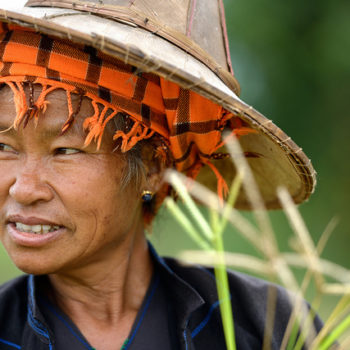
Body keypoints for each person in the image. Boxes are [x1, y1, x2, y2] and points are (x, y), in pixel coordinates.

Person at [0, 1, 322, 349]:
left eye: (65, 150)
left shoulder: (270, 327)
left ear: (152, 169)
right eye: (3, 147)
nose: (24, 188)